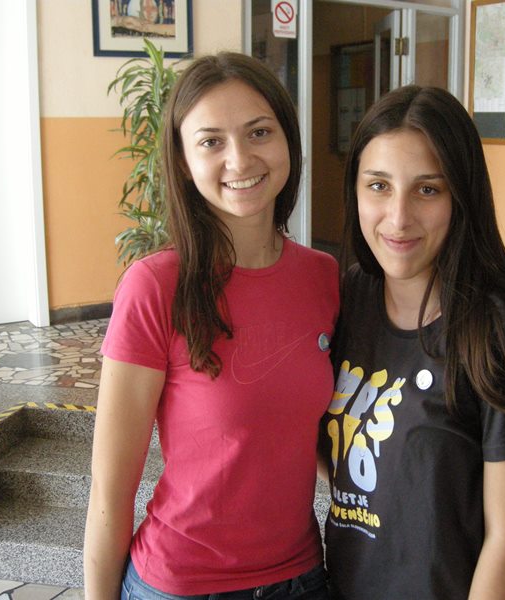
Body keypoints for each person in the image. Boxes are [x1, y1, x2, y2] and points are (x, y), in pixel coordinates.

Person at [84, 53, 338, 600]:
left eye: (259, 132)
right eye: (211, 141)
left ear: (288, 140)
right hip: (181, 583)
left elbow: (318, 436)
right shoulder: (155, 286)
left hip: (302, 576)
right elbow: (110, 490)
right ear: (182, 161)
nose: (239, 158)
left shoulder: (323, 277)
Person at [319, 86, 505, 600]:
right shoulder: (350, 297)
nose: (398, 217)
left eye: (428, 190)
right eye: (379, 186)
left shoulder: (501, 335)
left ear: (462, 195)